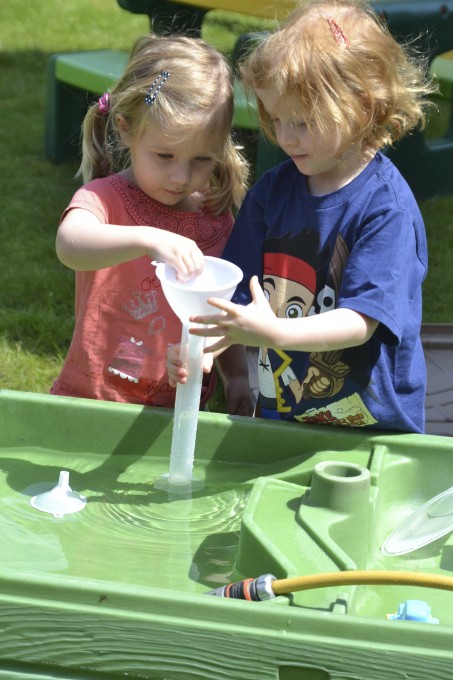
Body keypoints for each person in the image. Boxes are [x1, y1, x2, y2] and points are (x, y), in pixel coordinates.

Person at [168, 0, 437, 433]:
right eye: (275, 119)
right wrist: (207, 351)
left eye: (303, 121)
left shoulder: (386, 209)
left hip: (370, 434)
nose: (285, 137)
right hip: (286, 420)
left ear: (363, 106)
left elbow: (359, 322)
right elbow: (235, 297)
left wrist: (273, 333)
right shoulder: (271, 193)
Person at [51, 33, 252, 412]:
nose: (181, 177)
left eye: (202, 159)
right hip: (92, 402)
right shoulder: (105, 198)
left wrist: (238, 376)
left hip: (178, 413)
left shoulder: (213, 217)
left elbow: (217, 311)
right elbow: (70, 244)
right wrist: (147, 238)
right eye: (165, 155)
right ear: (126, 128)